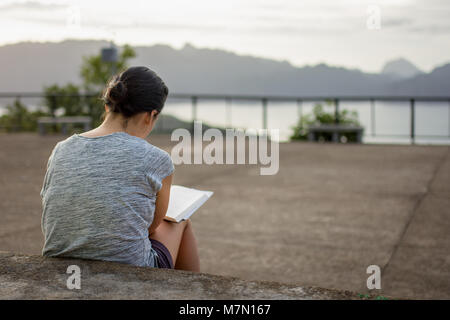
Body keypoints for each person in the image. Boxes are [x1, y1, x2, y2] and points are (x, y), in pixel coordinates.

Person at [40, 66, 200, 272]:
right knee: (181, 221)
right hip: (131, 272)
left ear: (108, 106)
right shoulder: (157, 159)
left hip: (61, 267)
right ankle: (192, 294)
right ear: (150, 116)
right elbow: (150, 228)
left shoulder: (61, 149)